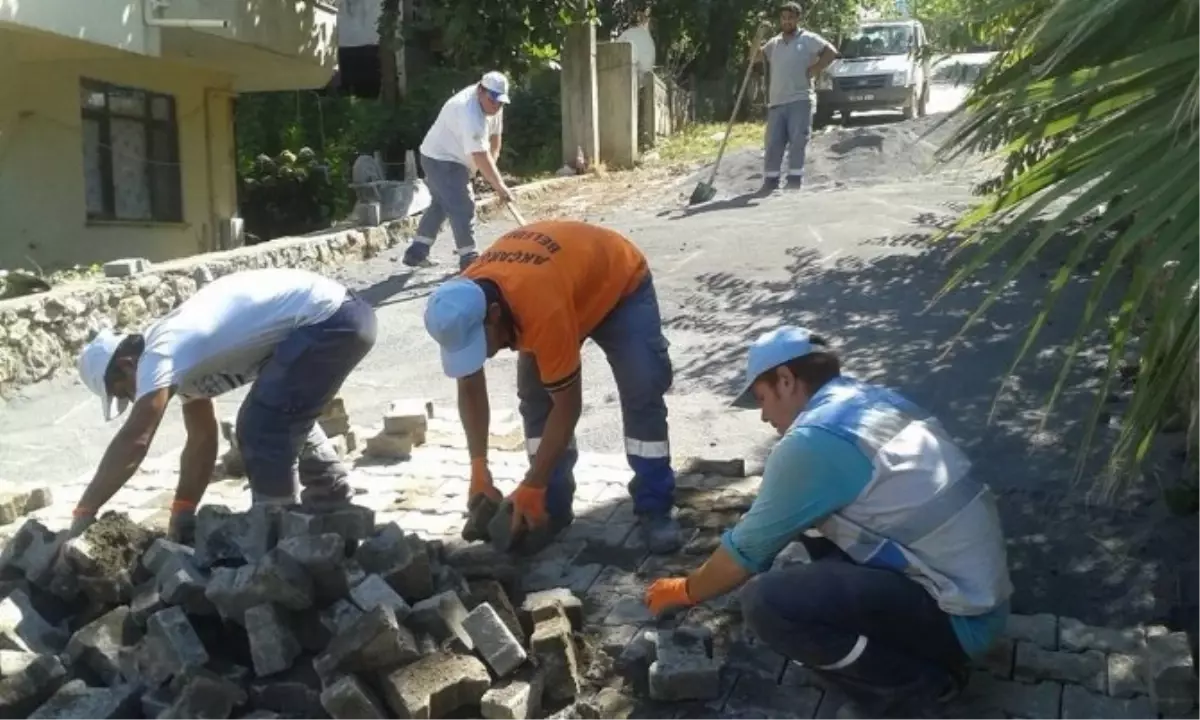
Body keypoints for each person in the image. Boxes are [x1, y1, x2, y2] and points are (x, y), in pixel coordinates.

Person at [644, 327, 1012, 719]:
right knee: (806, 520)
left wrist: (685, 590)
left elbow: (745, 553)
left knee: (768, 603)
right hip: (976, 592)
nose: (766, 416)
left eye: (763, 399)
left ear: (786, 380)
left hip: (960, 619)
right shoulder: (870, 401)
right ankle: (902, 647)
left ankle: (914, 687)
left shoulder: (814, 440)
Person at [423, 220, 682, 554]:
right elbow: (470, 386)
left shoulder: (539, 308)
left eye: (480, 344)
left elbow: (568, 405)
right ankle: (550, 507)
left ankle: (655, 505)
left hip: (619, 284)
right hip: (561, 282)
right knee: (535, 401)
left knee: (642, 386)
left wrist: (531, 482)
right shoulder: (459, 304)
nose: (481, 354)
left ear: (496, 314)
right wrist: (478, 468)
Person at [71, 268, 377, 542]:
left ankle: (280, 536)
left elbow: (135, 440)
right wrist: (183, 511)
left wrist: (84, 512)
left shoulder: (160, 352)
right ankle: (331, 497)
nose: (130, 399)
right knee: (278, 409)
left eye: (123, 392)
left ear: (126, 365)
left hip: (332, 319)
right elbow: (202, 440)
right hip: (339, 318)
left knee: (262, 426)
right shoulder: (180, 366)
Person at [404, 71, 516, 272]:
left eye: (501, 102)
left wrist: (488, 171)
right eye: (493, 101)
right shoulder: (469, 112)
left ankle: (417, 251)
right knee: (463, 205)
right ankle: (469, 258)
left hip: (448, 157)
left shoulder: (493, 105)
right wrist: (499, 186)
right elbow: (480, 154)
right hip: (442, 159)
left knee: (441, 203)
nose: (496, 106)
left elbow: (494, 140)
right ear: (480, 90)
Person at [752, 2, 837, 192]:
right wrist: (757, 39)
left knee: (798, 141)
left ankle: (794, 180)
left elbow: (831, 51)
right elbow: (755, 58)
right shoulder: (774, 43)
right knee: (773, 142)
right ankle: (771, 181)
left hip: (800, 99)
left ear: (798, 19)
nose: (787, 21)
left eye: (790, 18)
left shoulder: (807, 39)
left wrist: (816, 68)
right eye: (784, 18)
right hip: (777, 101)